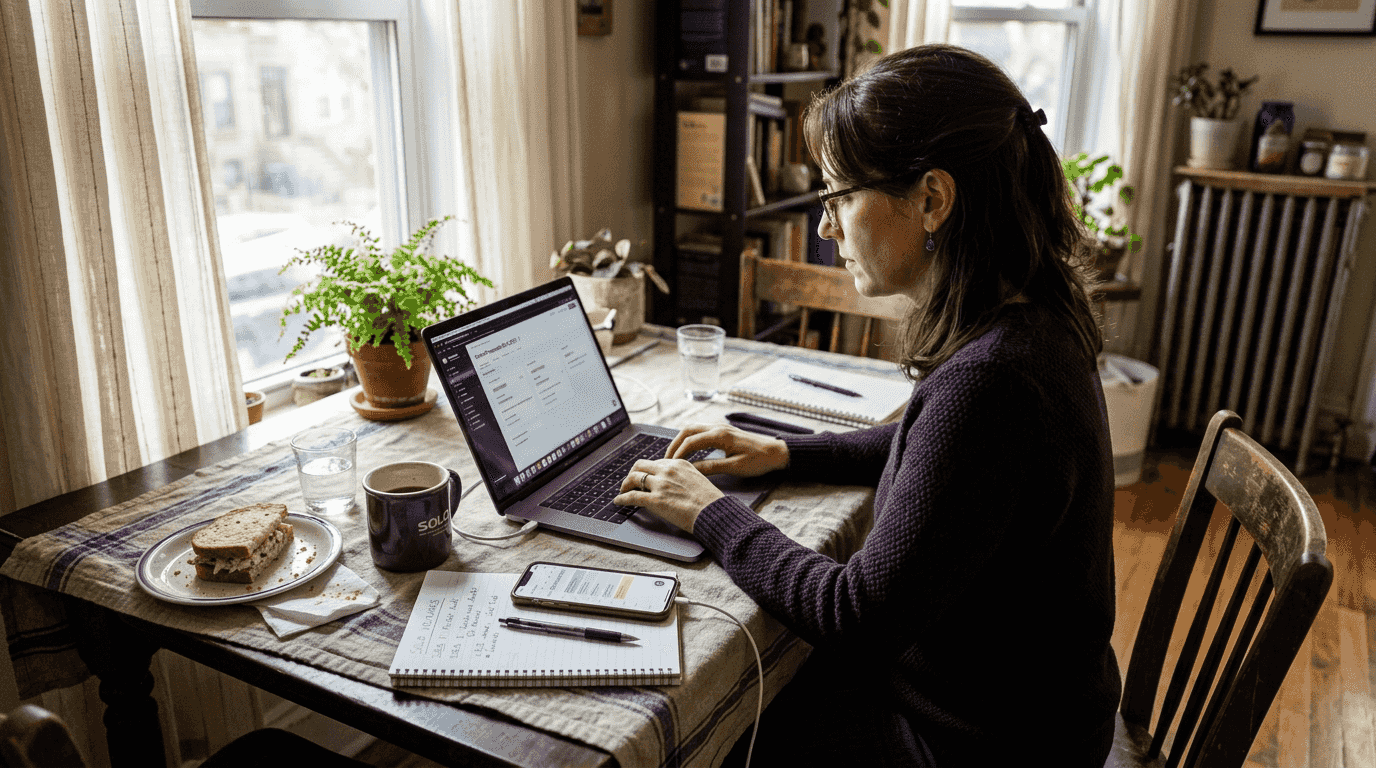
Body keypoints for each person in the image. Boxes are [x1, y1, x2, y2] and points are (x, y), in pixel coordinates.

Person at [614, 44, 1120, 767]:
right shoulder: (1028, 320)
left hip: (975, 744)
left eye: (840, 197)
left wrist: (708, 512)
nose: (826, 229)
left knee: (708, 734)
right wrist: (790, 452)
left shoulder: (994, 382)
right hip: (1024, 712)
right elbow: (941, 459)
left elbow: (854, 616)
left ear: (933, 199)